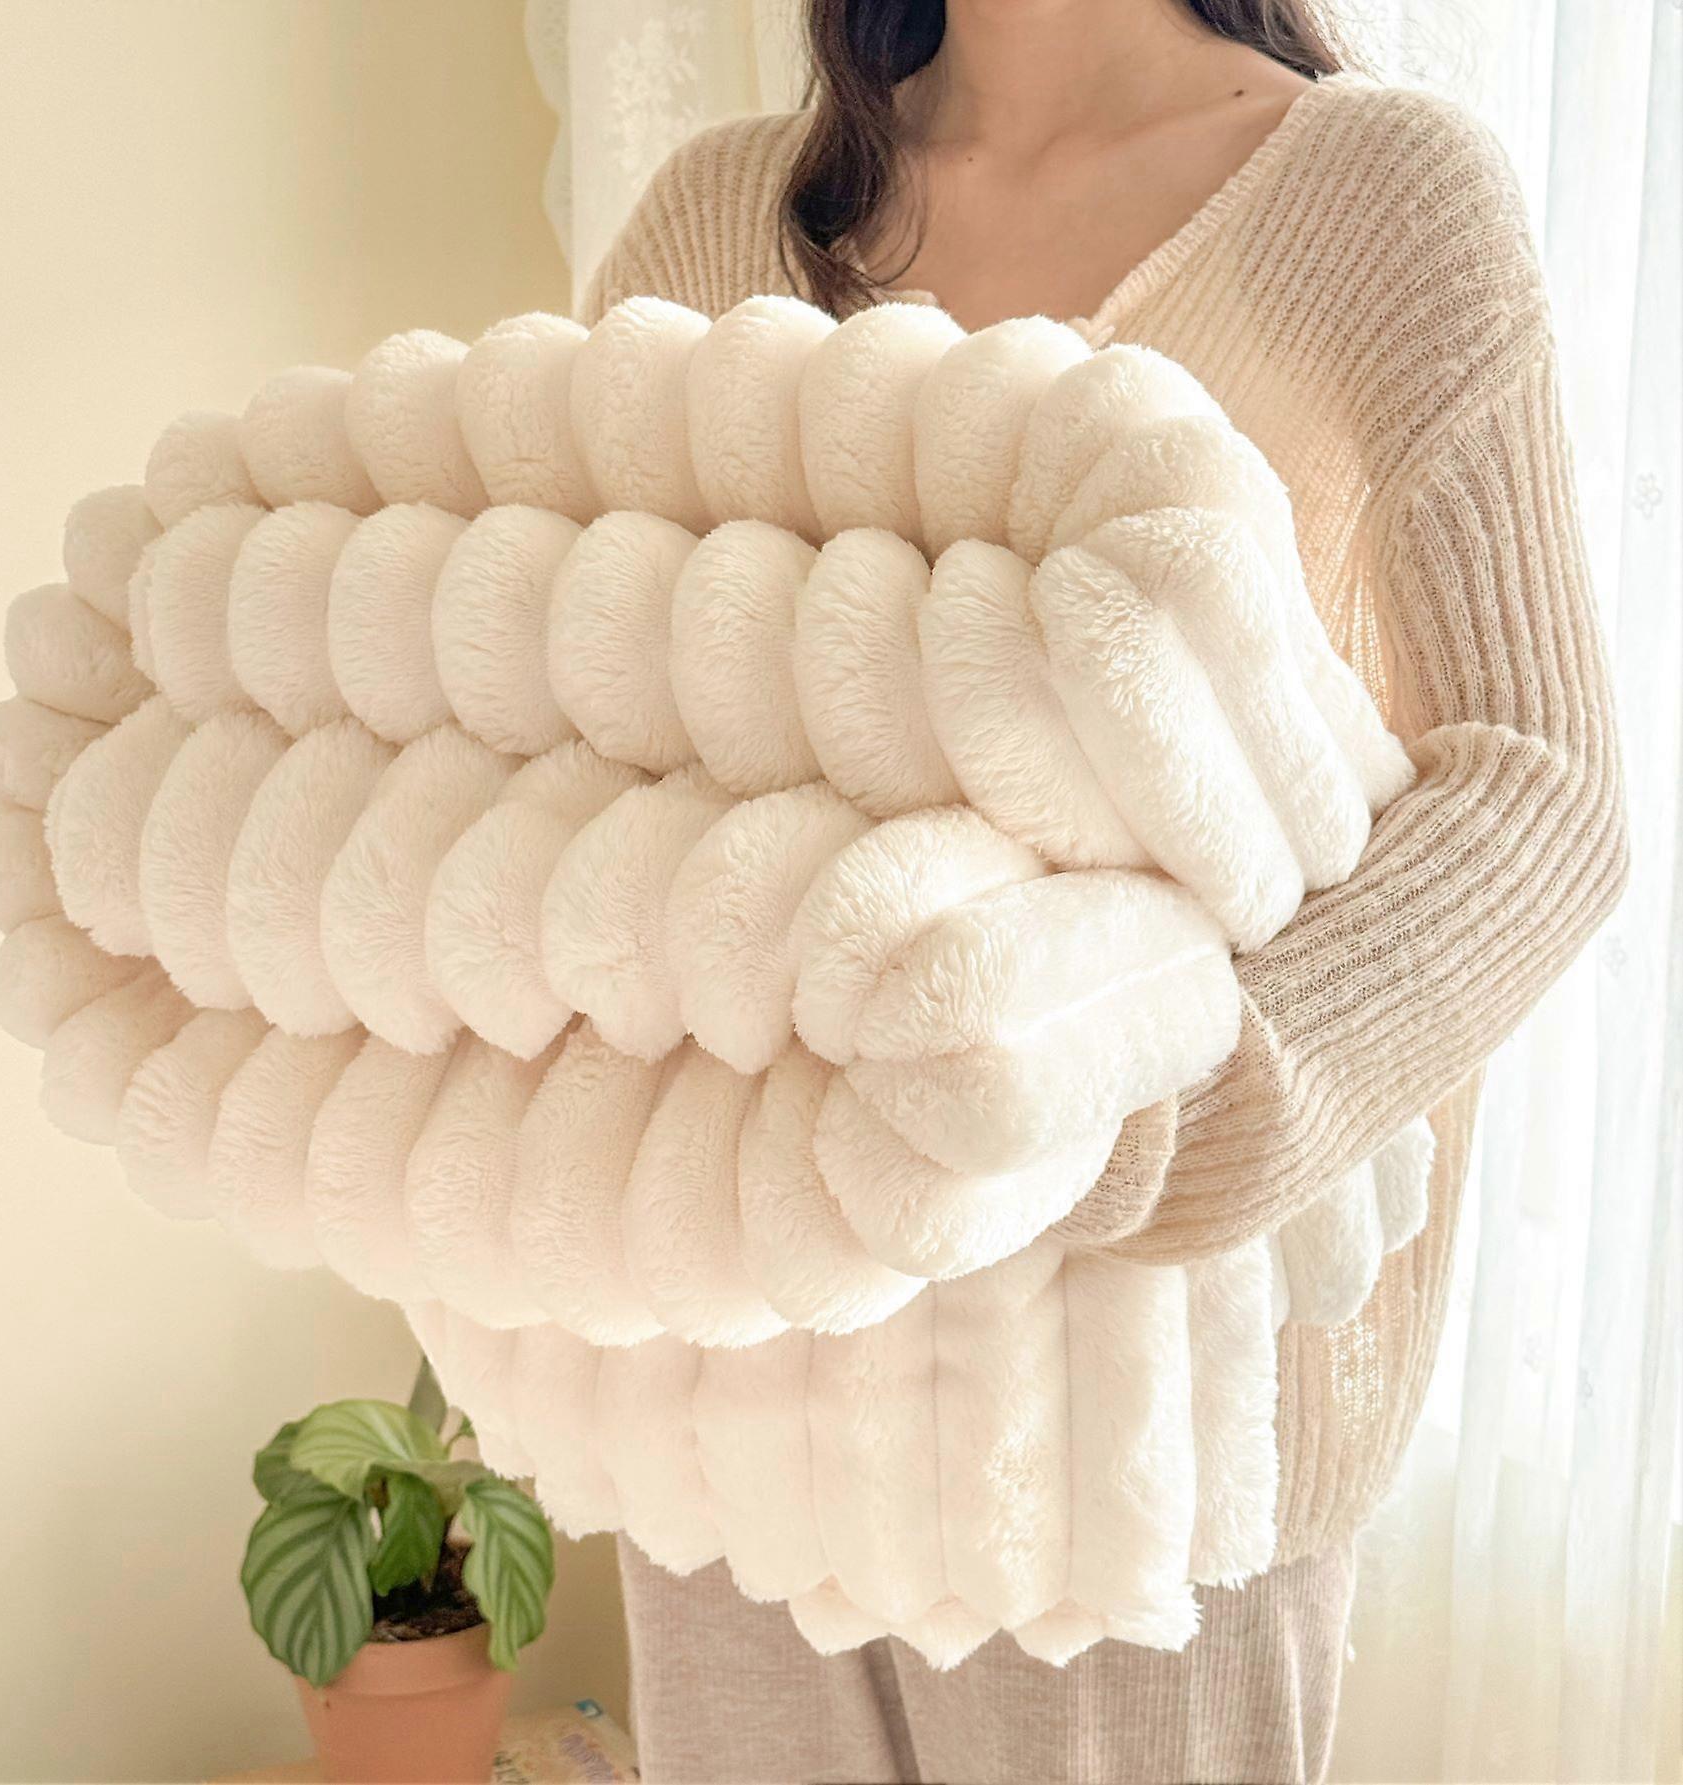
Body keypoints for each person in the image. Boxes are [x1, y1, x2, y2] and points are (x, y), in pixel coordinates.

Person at [581, 2, 1630, 1779]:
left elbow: (1542, 785)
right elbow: (569, 709)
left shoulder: (1377, 196)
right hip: (735, 1403)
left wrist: (1163, 1110)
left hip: (1143, 1438)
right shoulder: (714, 221)